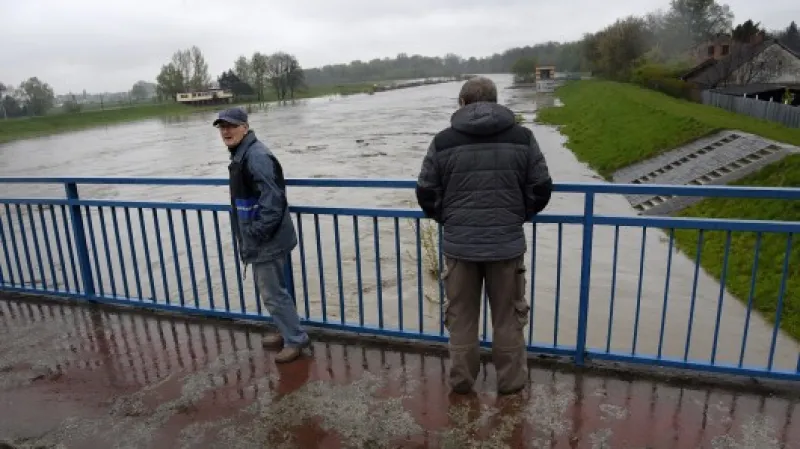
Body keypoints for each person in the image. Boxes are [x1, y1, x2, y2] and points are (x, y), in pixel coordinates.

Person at [415, 76, 553, 395]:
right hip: (506, 246)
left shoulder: (443, 141)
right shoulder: (523, 137)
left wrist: (449, 218)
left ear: (462, 103)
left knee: (461, 317)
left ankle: (462, 382)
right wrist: (518, 216)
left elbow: (426, 192)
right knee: (508, 317)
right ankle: (511, 383)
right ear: (495, 100)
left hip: (460, 248)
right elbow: (541, 187)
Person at [214, 107, 310, 363]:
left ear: (245, 127)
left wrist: (256, 233)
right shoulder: (243, 153)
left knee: (272, 293)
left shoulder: (255, 156)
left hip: (267, 238)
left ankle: (295, 339)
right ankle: (285, 329)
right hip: (263, 237)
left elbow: (273, 199)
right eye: (222, 127)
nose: (226, 131)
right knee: (273, 290)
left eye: (231, 126)